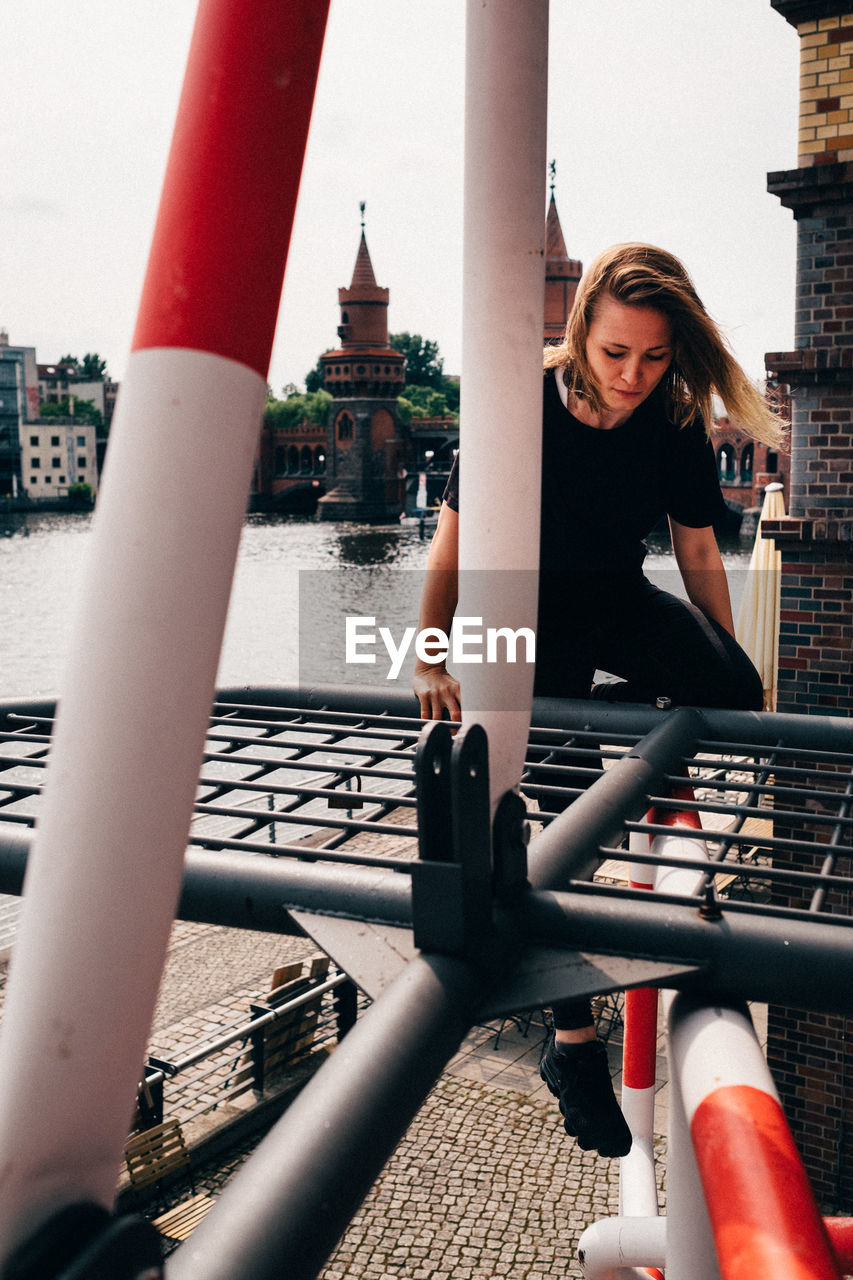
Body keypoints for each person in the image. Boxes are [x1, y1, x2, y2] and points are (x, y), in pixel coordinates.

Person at [413, 242, 786, 1158]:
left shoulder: (670, 416)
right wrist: (429, 659)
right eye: (616, 353)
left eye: (654, 356)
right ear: (579, 328)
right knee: (562, 840)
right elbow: (451, 544)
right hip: (528, 622)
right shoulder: (517, 403)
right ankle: (572, 1042)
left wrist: (714, 669)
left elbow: (697, 551)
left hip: (615, 604)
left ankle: (607, 738)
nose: (631, 376)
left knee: (736, 685)